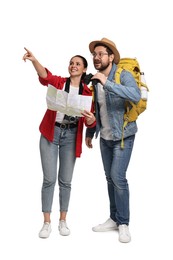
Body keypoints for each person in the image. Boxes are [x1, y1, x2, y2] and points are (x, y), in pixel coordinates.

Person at [23, 48, 96, 238]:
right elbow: (45, 76)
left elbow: (92, 120)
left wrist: (89, 120)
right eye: (71, 63)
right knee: (49, 179)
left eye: (78, 64)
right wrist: (34, 60)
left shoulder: (89, 92)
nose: (73, 66)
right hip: (51, 132)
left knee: (66, 181)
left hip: (71, 136)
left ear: (84, 69)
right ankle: (46, 222)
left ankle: (63, 220)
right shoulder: (60, 83)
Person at [85, 38, 141, 243]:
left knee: (118, 177)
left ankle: (124, 223)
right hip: (105, 138)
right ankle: (114, 218)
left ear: (111, 57)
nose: (96, 57)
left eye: (100, 54)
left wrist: (106, 83)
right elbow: (99, 109)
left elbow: (134, 95)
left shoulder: (122, 75)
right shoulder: (95, 79)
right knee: (109, 178)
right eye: (94, 54)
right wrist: (91, 132)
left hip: (123, 136)